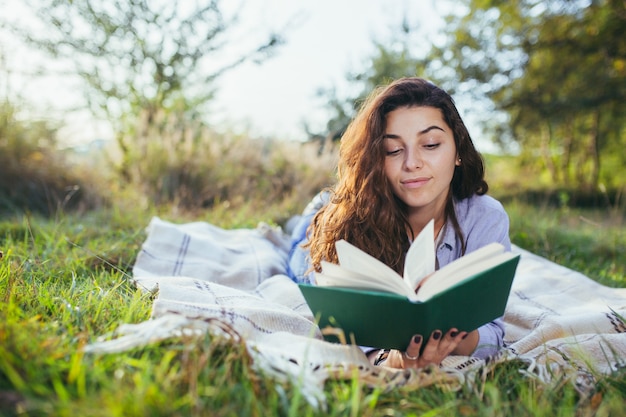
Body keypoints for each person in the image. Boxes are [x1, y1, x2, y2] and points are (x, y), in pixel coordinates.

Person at [286, 77, 511, 369]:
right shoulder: (349, 222)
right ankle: (301, 216)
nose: (411, 163)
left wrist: (459, 337)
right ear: (377, 159)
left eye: (430, 144)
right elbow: (337, 317)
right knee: (295, 260)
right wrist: (387, 359)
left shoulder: (486, 218)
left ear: (458, 151)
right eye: (393, 150)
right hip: (324, 217)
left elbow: (494, 334)